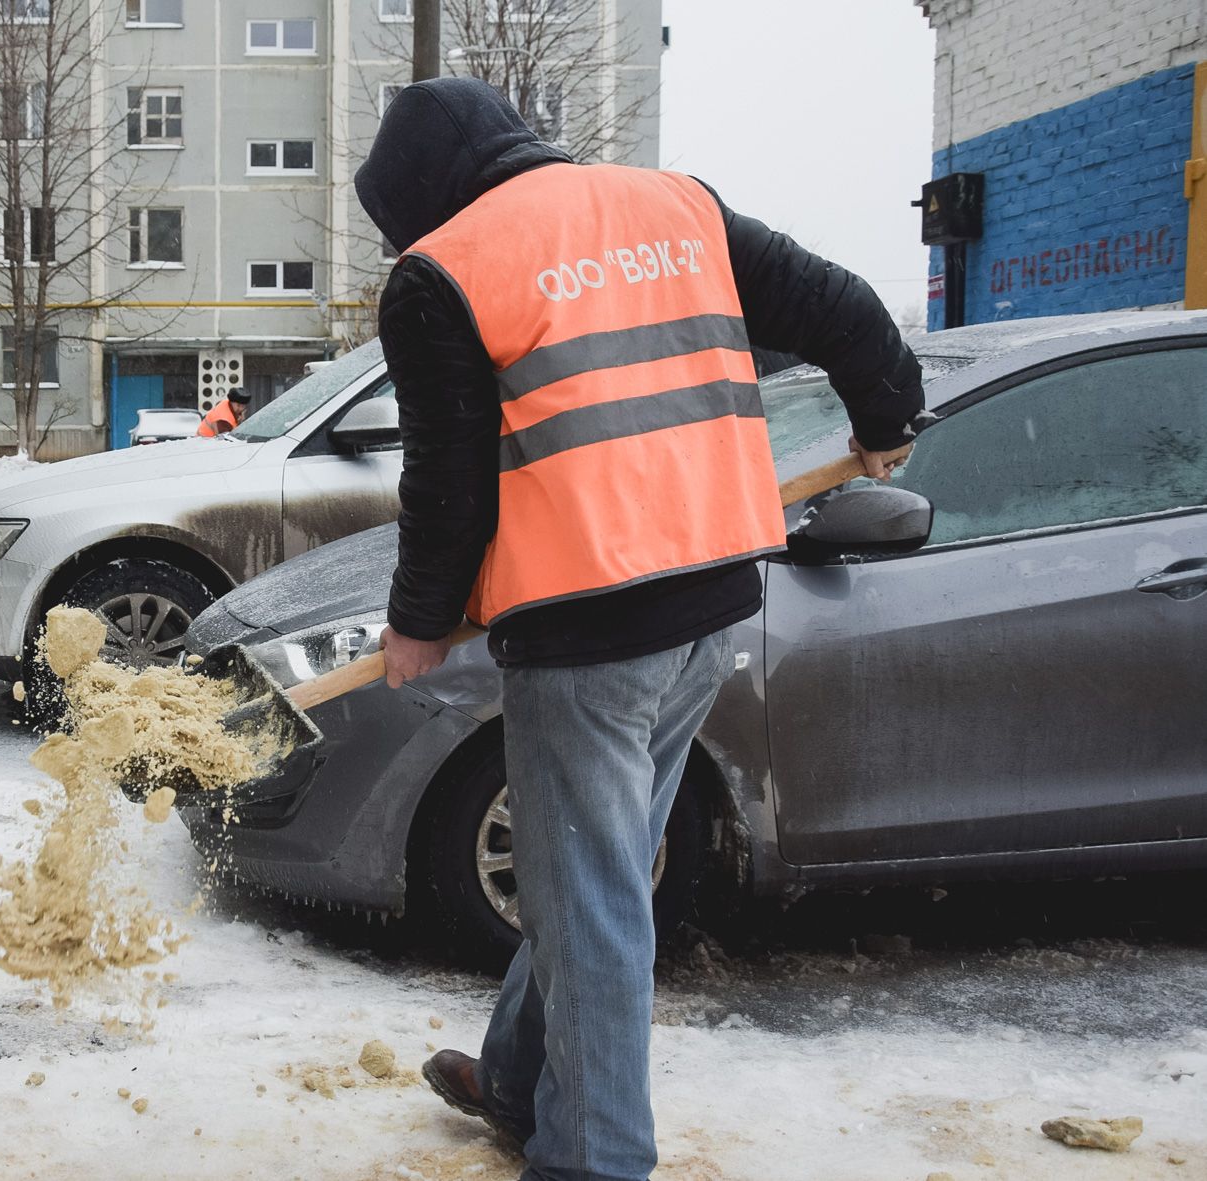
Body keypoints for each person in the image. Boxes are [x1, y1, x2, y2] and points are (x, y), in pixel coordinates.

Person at [355, 79, 927, 1181]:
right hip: (714, 599)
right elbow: (844, 307)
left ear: (422, 198)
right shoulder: (677, 205)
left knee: (592, 902)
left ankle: (596, 1155)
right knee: (594, 877)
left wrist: (419, 622)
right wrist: (885, 415)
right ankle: (520, 1079)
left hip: (588, 635)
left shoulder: (443, 270)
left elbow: (451, 480)